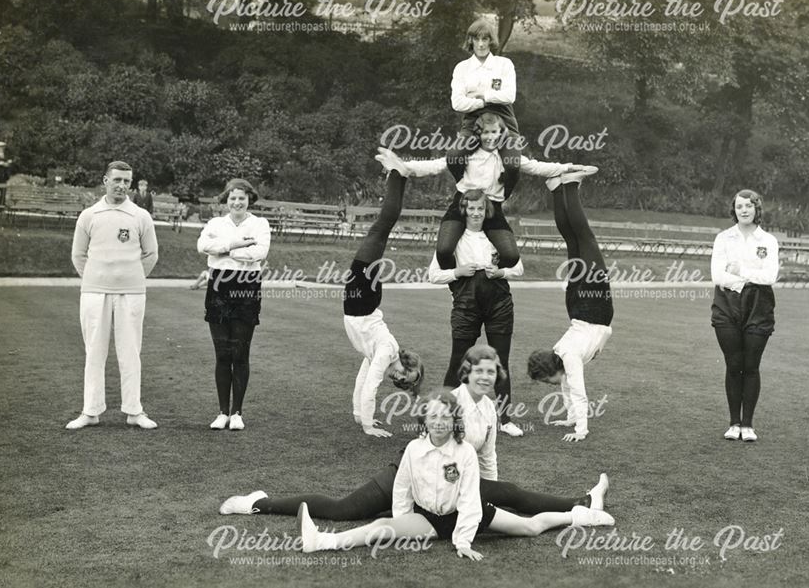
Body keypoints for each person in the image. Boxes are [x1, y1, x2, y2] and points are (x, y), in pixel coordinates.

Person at [220, 346, 608, 519]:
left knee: (508, 494)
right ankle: (259, 502)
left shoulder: (489, 407)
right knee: (344, 511)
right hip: (409, 476)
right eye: (480, 371)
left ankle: (582, 502)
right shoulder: (449, 403)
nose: (487, 377)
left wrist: (487, 493)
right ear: (466, 374)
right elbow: (427, 453)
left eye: (492, 372)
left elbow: (487, 457)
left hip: (446, 486)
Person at [297, 389, 614, 560]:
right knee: (380, 526)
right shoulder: (413, 449)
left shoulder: (464, 454)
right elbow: (402, 489)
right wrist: (401, 522)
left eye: (444, 417)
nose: (438, 422)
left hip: (467, 514)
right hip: (429, 518)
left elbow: (470, 501)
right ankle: (321, 542)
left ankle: (580, 515)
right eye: (432, 416)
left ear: (453, 422)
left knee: (531, 527)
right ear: (425, 419)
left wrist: (462, 541)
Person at [378, 113, 593, 273]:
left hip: (492, 208)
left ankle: (484, 273)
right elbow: (435, 165)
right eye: (486, 132)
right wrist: (404, 166)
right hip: (463, 203)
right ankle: (458, 283)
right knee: (443, 251)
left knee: (510, 256)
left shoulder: (508, 157)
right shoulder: (469, 154)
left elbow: (537, 167)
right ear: (479, 134)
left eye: (495, 131)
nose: (490, 136)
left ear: (501, 133)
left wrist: (568, 167)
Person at [66, 160, 159, 430]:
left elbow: (151, 254)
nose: (121, 185)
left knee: (130, 351)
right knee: (94, 351)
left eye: (126, 181)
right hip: (94, 292)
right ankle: (91, 411)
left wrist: (130, 276)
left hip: (131, 292)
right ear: (105, 180)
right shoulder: (89, 215)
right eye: (116, 180)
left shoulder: (140, 216)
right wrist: (97, 277)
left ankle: (134, 411)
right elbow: (78, 255)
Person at [429, 189, 525, 437]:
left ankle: (505, 420)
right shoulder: (453, 240)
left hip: (499, 304)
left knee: (500, 361)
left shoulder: (496, 237)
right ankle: (442, 417)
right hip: (466, 305)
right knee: (457, 362)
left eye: (480, 208)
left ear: (487, 210)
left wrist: (500, 272)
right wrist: (458, 272)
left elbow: (519, 267)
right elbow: (433, 275)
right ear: (464, 210)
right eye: (471, 208)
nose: (475, 213)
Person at [526, 169, 612, 442]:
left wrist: (580, 430)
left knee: (584, 238)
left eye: (545, 380)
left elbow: (577, 391)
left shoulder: (569, 358)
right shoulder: (560, 354)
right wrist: (570, 417)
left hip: (593, 307)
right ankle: (555, 188)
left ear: (552, 370)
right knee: (574, 241)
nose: (548, 385)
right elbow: (566, 388)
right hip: (577, 306)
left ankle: (571, 185)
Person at [344, 151, 425, 437]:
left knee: (382, 229)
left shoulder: (380, 352)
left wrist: (358, 415)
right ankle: (397, 174)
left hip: (363, 301)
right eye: (406, 375)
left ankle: (398, 175)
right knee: (381, 228)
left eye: (402, 381)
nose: (399, 379)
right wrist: (368, 426)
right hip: (362, 300)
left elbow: (361, 381)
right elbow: (371, 387)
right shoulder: (387, 351)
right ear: (406, 363)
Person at [196, 179, 271, 431]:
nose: (237, 202)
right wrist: (236, 244)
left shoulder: (260, 223)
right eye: (232, 198)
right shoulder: (216, 223)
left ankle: (237, 413)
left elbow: (260, 252)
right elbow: (203, 246)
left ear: (249, 198)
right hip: (219, 286)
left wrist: (227, 253)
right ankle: (221, 413)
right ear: (225, 200)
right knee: (222, 354)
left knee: (240, 353)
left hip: (247, 285)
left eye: (241, 197)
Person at [710, 189, 779, 442]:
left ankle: (748, 424)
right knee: (733, 365)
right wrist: (750, 277)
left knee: (751, 366)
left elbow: (770, 276)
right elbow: (718, 276)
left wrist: (740, 269)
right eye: (740, 206)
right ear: (734, 209)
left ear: (757, 208)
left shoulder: (768, 241)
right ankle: (734, 423)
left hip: (758, 307)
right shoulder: (724, 239)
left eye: (749, 206)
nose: (744, 210)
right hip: (727, 305)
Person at [451, 18, 518, 137]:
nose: (481, 44)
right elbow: (457, 103)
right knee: (455, 154)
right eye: (477, 39)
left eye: (485, 39)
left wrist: (481, 95)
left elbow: (510, 96)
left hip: (504, 119)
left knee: (512, 155)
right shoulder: (462, 68)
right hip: (473, 121)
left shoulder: (504, 64)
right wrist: (483, 102)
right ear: (471, 40)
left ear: (490, 41)